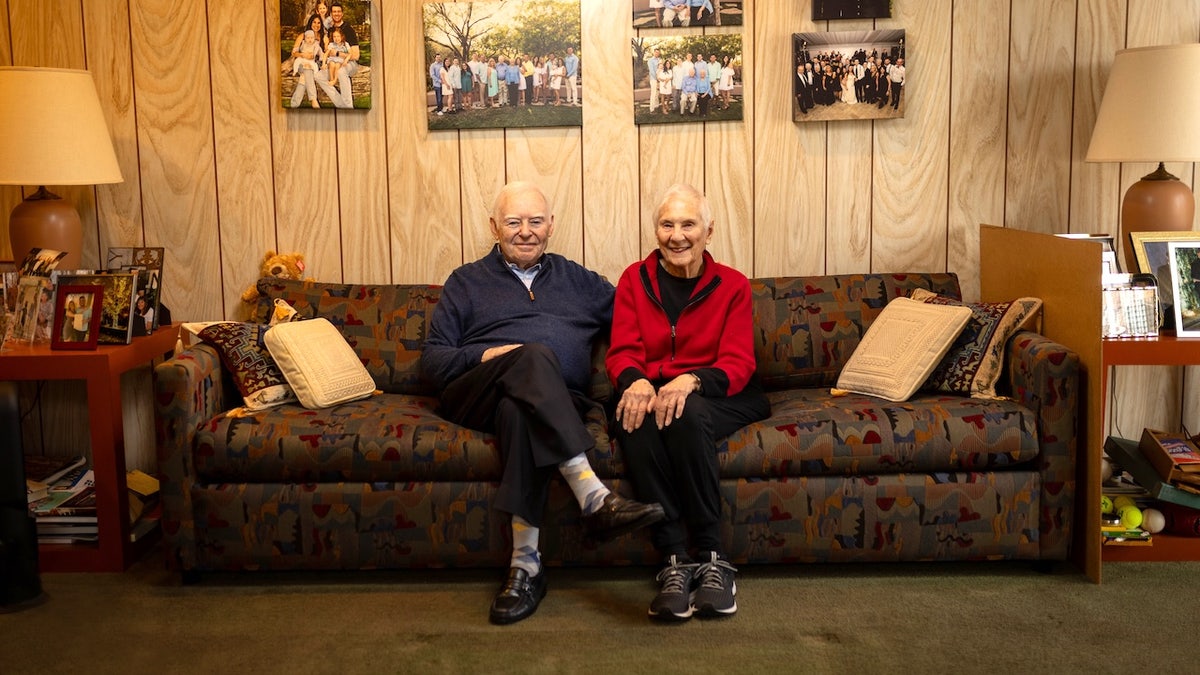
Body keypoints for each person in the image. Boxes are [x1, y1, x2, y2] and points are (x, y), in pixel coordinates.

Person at [421, 182, 665, 626]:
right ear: (494, 227)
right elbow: (433, 361)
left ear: (551, 225)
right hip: (476, 393)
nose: (525, 232)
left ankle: (525, 566)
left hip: (551, 403)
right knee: (532, 354)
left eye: (535, 221)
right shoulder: (466, 282)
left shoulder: (582, 282)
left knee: (522, 411)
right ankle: (592, 495)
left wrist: (656, 375)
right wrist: (488, 355)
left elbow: (636, 324)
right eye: (514, 222)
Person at [606, 183, 770, 622]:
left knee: (685, 410)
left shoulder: (731, 285)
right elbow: (622, 350)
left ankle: (713, 558)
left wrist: (691, 380)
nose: (677, 235)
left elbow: (738, 361)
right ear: (656, 231)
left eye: (688, 224)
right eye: (667, 224)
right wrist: (637, 381)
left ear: (708, 231)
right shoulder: (632, 281)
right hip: (654, 390)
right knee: (633, 415)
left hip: (721, 394)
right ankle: (674, 561)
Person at [315, 2, 360, 109]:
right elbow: (328, 51)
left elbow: (356, 55)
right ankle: (340, 104)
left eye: (339, 11)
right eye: (334, 11)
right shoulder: (330, 30)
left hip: (349, 63)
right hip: (333, 62)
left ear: (342, 13)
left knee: (341, 71)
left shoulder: (348, 30)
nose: (336, 14)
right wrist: (326, 43)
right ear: (330, 13)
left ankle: (349, 107)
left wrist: (339, 54)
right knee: (318, 76)